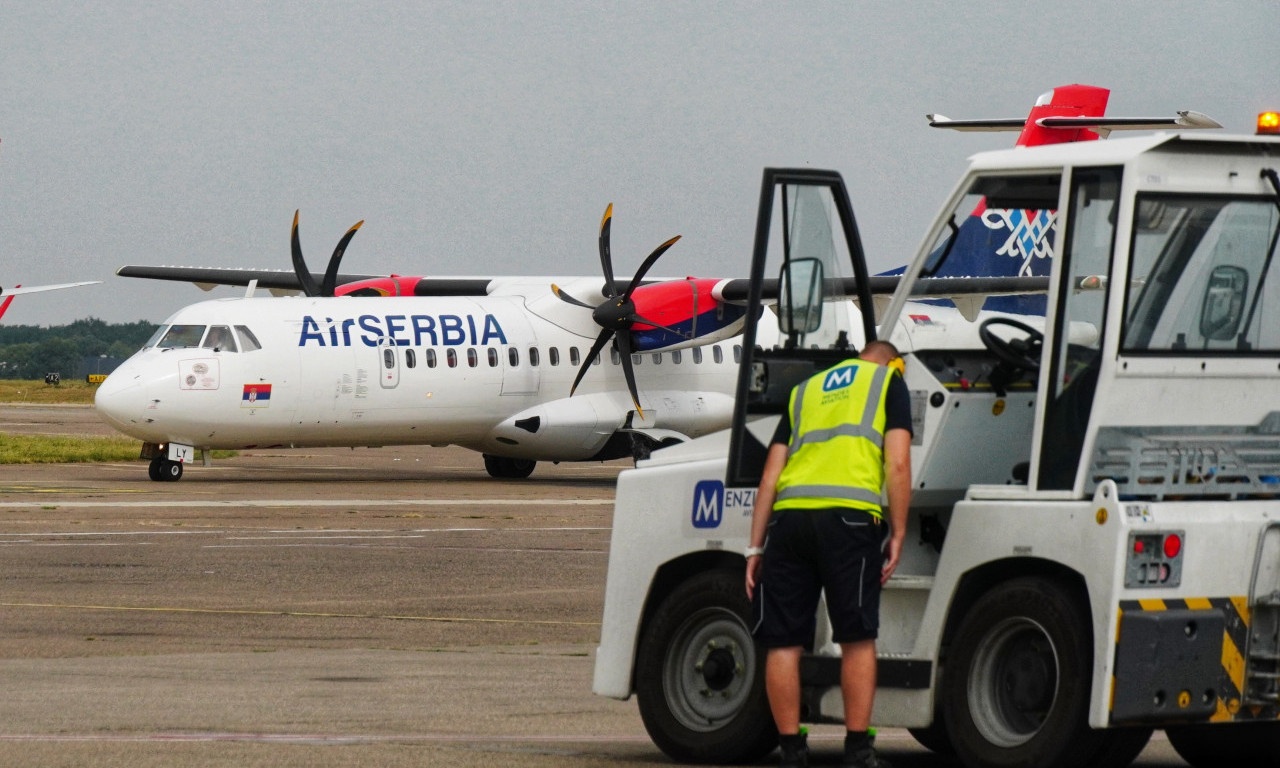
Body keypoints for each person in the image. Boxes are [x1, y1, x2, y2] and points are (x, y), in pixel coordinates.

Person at [744, 339, 912, 768]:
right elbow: (897, 464)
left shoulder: (807, 390)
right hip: (850, 521)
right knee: (856, 638)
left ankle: (792, 751)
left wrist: (754, 546)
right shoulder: (887, 382)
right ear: (891, 361)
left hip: (790, 522)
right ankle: (857, 751)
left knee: (783, 641)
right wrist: (898, 530)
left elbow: (770, 474)